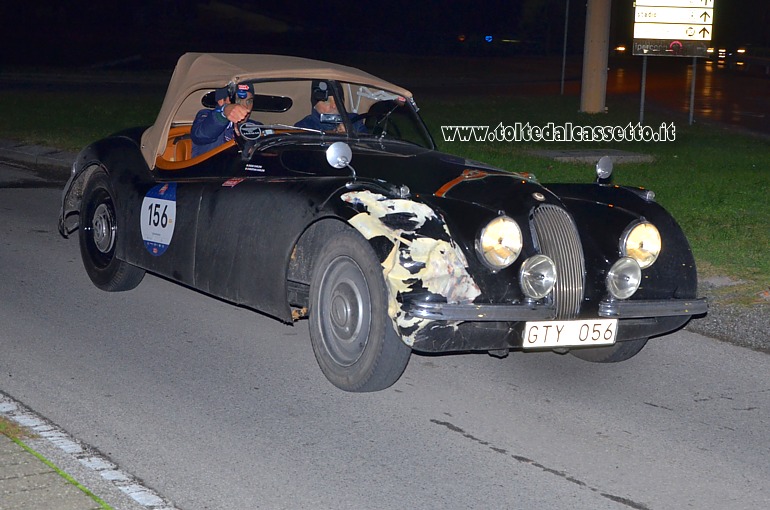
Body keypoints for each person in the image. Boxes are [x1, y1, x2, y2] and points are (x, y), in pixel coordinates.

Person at [191, 83, 254, 157]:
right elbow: (200, 135)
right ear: (221, 101)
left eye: (249, 101)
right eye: (238, 100)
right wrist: (223, 112)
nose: (245, 107)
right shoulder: (206, 117)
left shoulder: (255, 128)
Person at [295, 80, 365, 134]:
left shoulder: (355, 122)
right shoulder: (303, 128)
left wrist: (351, 135)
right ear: (315, 105)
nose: (334, 106)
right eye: (327, 101)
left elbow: (369, 148)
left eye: (337, 100)